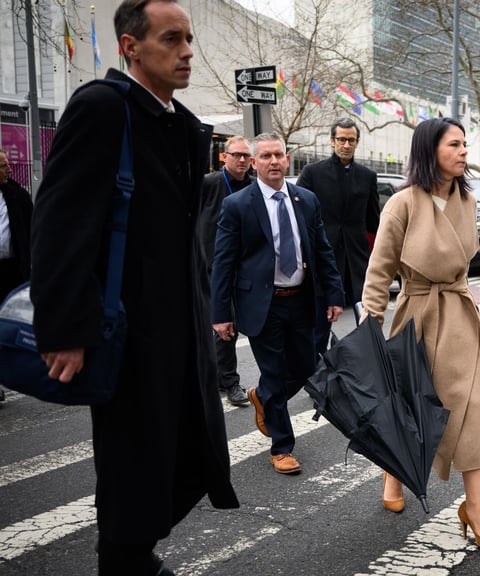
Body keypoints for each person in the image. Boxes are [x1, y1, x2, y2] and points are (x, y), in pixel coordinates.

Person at [29, 1, 239, 573]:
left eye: (189, 38)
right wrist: (65, 329)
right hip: (125, 330)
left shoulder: (180, 123)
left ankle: (131, 555)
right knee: (133, 469)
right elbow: (59, 224)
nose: (188, 51)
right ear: (130, 47)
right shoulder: (103, 108)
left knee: (180, 455)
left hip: (179, 328)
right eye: (172, 39)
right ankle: (127, 560)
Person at [361, 117, 480, 552]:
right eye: (454, 145)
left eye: (465, 144)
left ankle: (476, 510)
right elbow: (381, 266)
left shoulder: (467, 199)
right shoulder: (404, 202)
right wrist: (371, 320)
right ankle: (394, 476)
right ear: (431, 152)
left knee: (467, 410)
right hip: (418, 314)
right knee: (411, 404)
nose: (464, 152)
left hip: (460, 315)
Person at [211, 132, 345, 475]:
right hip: (262, 305)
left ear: (287, 159)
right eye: (265, 156)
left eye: (278, 155)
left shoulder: (307, 200)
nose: (273, 161)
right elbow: (223, 263)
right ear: (254, 163)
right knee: (273, 369)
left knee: (303, 368)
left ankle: (263, 397)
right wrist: (221, 314)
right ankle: (282, 447)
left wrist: (333, 295)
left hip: (302, 301)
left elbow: (322, 251)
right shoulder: (238, 205)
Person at [297, 118, 380, 355]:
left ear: (357, 143)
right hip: (324, 258)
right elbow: (299, 217)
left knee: (367, 320)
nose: (346, 144)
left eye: (351, 140)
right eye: (341, 139)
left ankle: (372, 372)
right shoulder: (312, 173)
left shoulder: (367, 176)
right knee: (320, 323)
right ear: (332, 141)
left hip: (357, 260)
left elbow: (375, 222)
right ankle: (314, 374)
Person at [199, 135, 252, 406]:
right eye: (236, 155)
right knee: (224, 325)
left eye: (246, 156)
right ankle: (229, 381)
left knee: (232, 326)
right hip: (211, 267)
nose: (241, 160)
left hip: (244, 269)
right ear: (224, 156)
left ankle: (221, 378)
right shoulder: (209, 184)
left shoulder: (254, 187)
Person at [0, 148, 32, 299]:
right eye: (3, 166)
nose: (10, 169)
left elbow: (32, 232)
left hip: (13, 271)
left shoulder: (18, 196)